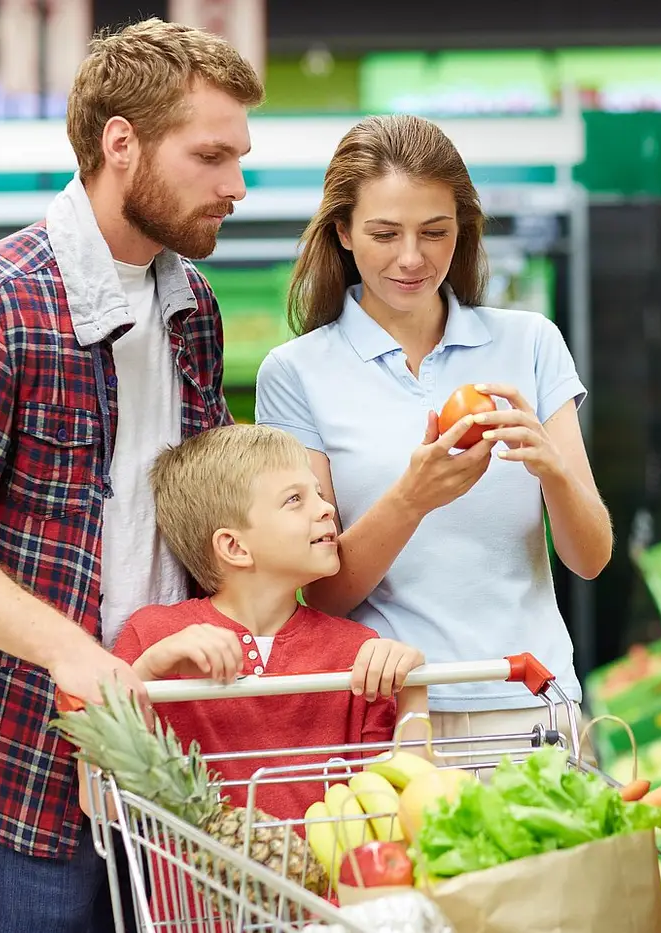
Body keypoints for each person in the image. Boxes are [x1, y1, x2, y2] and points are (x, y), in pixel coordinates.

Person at [0, 18, 263, 933]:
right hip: (21, 749)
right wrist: (75, 653)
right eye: (211, 156)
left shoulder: (188, 304)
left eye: (239, 157)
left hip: (161, 744)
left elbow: (194, 498)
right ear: (120, 143)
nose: (236, 185)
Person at [254, 114, 612, 753]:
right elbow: (321, 596)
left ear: (463, 230)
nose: (412, 258)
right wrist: (413, 497)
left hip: (531, 708)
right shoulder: (296, 373)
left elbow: (591, 559)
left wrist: (551, 467)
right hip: (390, 720)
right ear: (342, 231)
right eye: (384, 234)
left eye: (435, 232)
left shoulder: (530, 343)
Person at [109, 423, 428, 820]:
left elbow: (399, 805)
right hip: (195, 882)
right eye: (295, 499)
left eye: (321, 494)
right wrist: (149, 671)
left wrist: (413, 685)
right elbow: (104, 803)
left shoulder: (357, 649)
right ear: (234, 546)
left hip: (329, 881)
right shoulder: (154, 635)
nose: (327, 508)